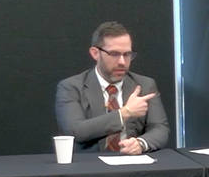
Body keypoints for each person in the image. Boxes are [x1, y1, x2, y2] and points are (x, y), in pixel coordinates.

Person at [55, 21, 168, 154]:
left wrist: (141, 143)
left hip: (133, 165)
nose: (122, 62)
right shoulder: (71, 87)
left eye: (127, 55)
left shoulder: (145, 85)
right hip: (90, 166)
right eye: (114, 54)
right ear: (95, 53)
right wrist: (125, 113)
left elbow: (160, 128)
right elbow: (76, 131)